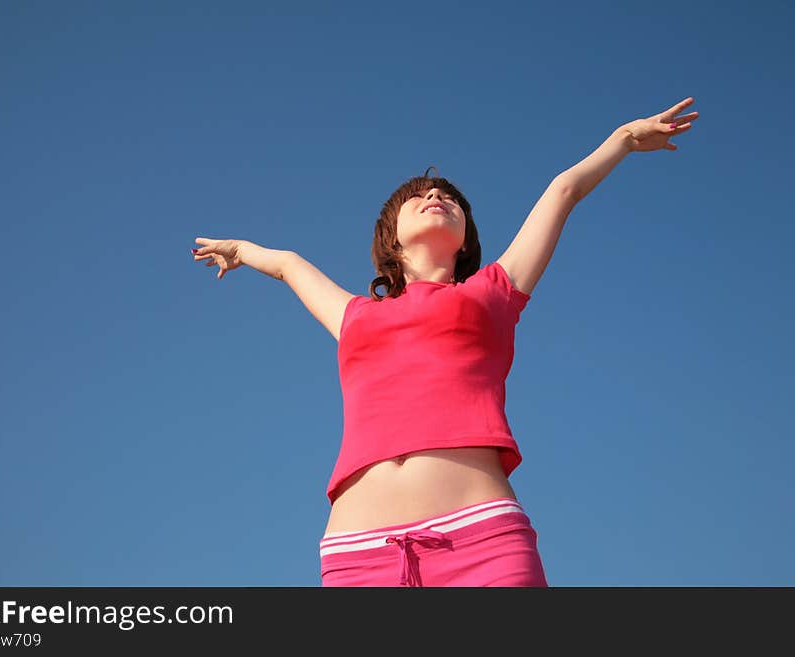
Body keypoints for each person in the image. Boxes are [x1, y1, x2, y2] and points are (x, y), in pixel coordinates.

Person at [191, 97, 698, 587]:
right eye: (419, 196)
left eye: (450, 199)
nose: (436, 198)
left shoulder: (495, 291)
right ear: (390, 236)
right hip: (357, 558)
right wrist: (240, 250)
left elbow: (562, 192)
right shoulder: (354, 316)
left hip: (483, 545)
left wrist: (625, 138)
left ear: (465, 239)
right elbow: (287, 265)